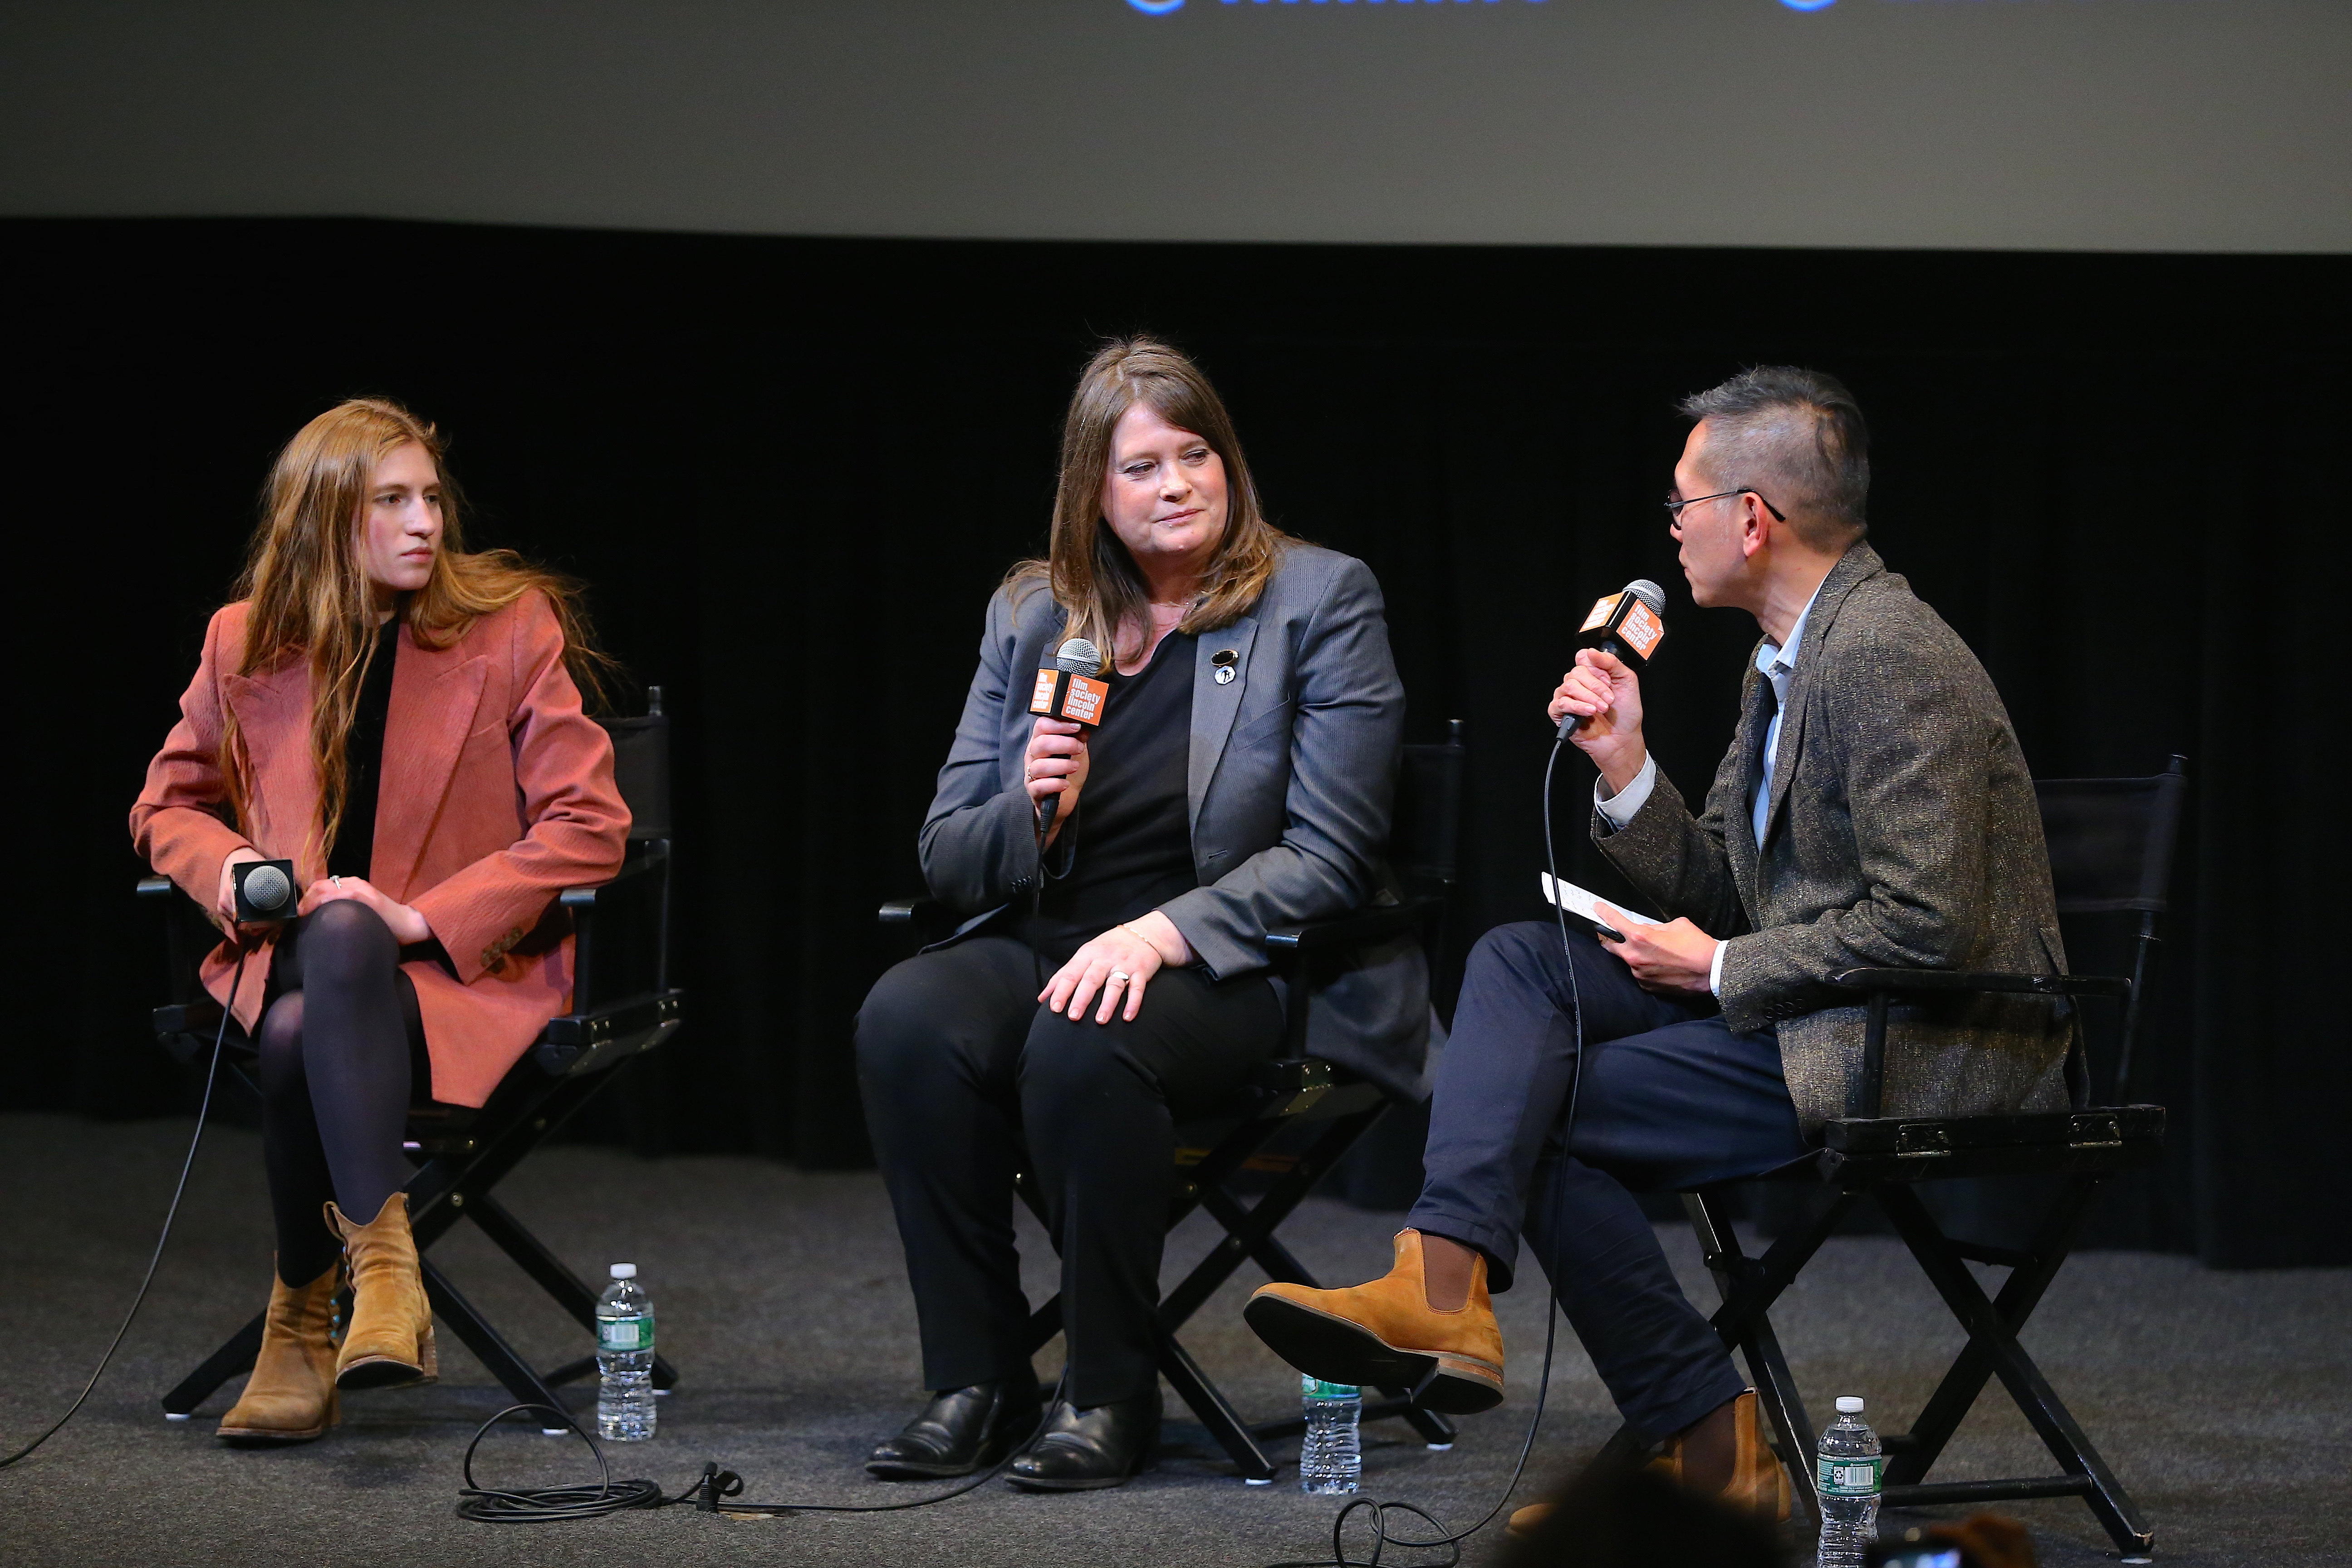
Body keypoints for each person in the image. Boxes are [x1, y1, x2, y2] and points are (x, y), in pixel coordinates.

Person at [1245, 367, 2072, 1524]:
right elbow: (1729, 885)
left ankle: (1704, 1443)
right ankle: (1446, 1285)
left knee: (1541, 1113)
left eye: (1682, 505)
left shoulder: (1888, 653)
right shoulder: (1783, 659)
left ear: (1751, 516)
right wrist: (1626, 764)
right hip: (1825, 1006)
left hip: (1922, 1038)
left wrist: (1723, 969)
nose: (1670, 531)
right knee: (1521, 962)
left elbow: (1927, 929)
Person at [855, 337, 1425, 1492]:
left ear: (1230, 464)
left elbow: (1332, 854)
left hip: (1244, 964)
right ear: (1092, 494)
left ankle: (1108, 1385)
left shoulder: (1318, 598)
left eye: (1196, 454)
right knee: (906, 1018)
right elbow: (947, 853)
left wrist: (1160, 934)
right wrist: (1036, 810)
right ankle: (978, 1376)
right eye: (1142, 467)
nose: (1176, 486)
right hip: (1049, 934)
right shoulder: (1032, 613)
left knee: (1085, 1035)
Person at [130, 398, 628, 1445]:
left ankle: (303, 1316)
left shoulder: (510, 625)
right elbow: (165, 807)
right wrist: (231, 870)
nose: (425, 524)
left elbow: (592, 824)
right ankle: (383, 1269)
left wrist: (415, 915)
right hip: (297, 957)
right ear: (323, 521)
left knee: (306, 1014)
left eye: (431, 498)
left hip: (454, 977)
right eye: (391, 502)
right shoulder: (245, 642)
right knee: (321, 965)